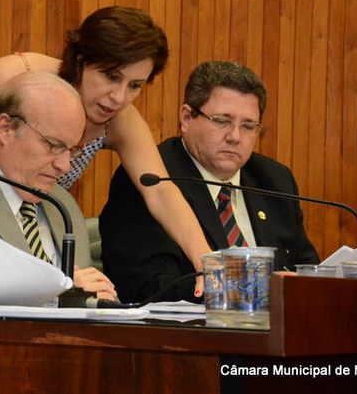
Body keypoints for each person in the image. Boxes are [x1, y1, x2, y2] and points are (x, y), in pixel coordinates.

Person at [0, 6, 212, 293]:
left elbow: (161, 192)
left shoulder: (120, 121)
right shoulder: (17, 78)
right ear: (81, 60)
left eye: (135, 85)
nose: (119, 97)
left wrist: (206, 262)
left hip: (32, 213)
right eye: (111, 76)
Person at [99, 61, 320, 304]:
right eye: (222, 121)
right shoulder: (152, 177)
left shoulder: (274, 180)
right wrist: (241, 293)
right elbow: (145, 287)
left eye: (248, 126)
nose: (235, 137)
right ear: (186, 118)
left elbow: (307, 270)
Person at [0, 71, 117, 301]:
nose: (65, 166)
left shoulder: (63, 204)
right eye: (54, 145)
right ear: (6, 128)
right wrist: (58, 298)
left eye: (71, 150)